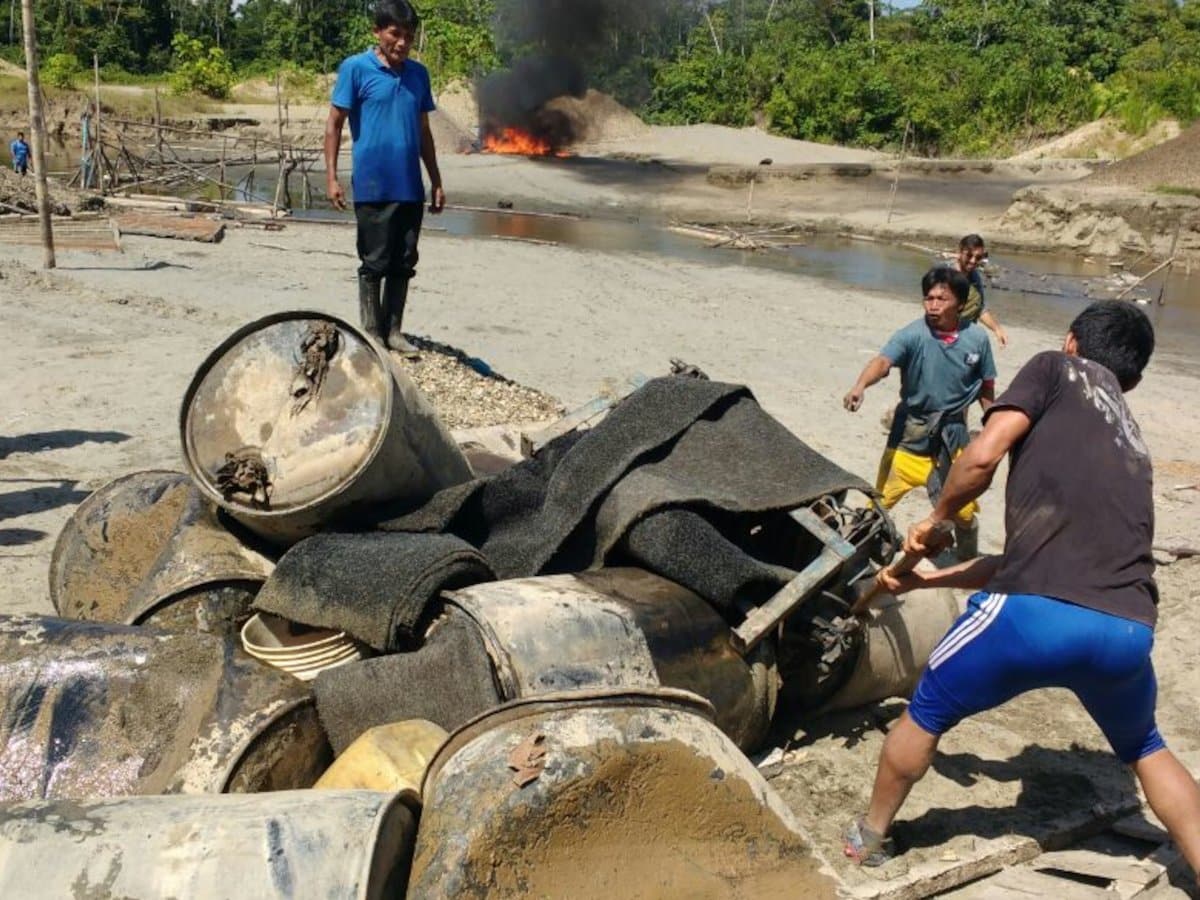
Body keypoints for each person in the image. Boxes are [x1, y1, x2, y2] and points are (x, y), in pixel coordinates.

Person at [843, 301, 1200, 880]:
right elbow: (1025, 559)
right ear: (1132, 380)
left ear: (1070, 341)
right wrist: (933, 578)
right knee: (1147, 748)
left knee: (926, 712)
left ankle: (869, 836)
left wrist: (938, 517)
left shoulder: (1055, 370)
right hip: (1127, 630)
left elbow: (982, 456)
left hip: (1031, 621)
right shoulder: (1131, 441)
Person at [844, 267, 996, 561]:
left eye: (942, 298)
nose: (934, 305)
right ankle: (848, 554)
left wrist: (993, 422)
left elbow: (986, 385)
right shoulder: (912, 335)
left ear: (961, 304)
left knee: (964, 512)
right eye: (929, 298)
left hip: (953, 441)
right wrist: (860, 385)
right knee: (878, 502)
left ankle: (966, 560)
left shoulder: (977, 339)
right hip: (909, 438)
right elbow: (882, 362)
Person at [324, 0, 445, 355]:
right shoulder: (356, 69)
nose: (402, 43)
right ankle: (371, 333)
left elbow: (424, 132)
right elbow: (334, 124)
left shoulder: (418, 75)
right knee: (374, 261)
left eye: (408, 36)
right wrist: (332, 178)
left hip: (410, 187)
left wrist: (435, 180)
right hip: (373, 186)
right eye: (395, 33)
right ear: (378, 32)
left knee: (404, 261)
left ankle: (394, 331)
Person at [951, 234, 1008, 348]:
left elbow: (980, 308)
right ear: (959, 252)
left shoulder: (975, 276)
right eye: (969, 255)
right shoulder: (944, 274)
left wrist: (997, 329)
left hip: (966, 338)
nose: (973, 261)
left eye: (978, 257)